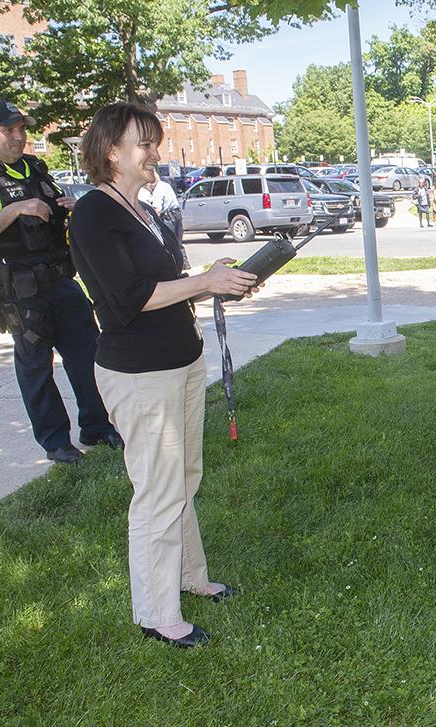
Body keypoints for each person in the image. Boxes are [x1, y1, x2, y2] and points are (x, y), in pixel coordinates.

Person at [68, 103, 260, 649]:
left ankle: (190, 576)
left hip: (180, 360)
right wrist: (206, 281)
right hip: (139, 372)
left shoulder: (141, 209)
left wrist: (221, 283)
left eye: (155, 142)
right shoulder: (93, 215)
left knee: (185, 477)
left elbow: (170, 282)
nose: (156, 152)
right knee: (157, 490)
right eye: (145, 143)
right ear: (112, 152)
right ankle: (156, 612)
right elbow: (129, 299)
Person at [0, 100, 121, 464]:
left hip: (62, 281)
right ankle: (56, 442)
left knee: (88, 357)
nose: (17, 137)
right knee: (36, 369)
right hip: (21, 291)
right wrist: (14, 210)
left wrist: (72, 205)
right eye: (8, 131)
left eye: (21, 129)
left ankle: (97, 426)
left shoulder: (37, 169)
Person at [138, 171, 188, 268]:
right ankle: (185, 263)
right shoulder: (166, 185)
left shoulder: (158, 190)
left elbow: (157, 209)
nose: (149, 186)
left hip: (169, 217)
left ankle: (177, 265)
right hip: (176, 214)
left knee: (170, 243)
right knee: (178, 240)